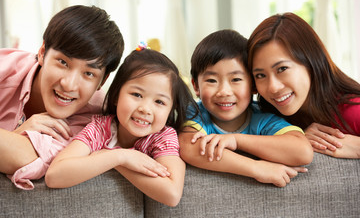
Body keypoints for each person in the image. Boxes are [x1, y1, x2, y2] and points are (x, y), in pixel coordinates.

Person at [45, 45, 198, 207]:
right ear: (117, 95)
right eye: (137, 95)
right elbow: (54, 176)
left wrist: (117, 161)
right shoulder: (100, 128)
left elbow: (172, 194)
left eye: (159, 102)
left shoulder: (163, 137)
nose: (145, 109)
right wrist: (120, 157)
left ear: (170, 110)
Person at [0, 5, 124, 190]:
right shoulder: (5, 67)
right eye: (63, 62)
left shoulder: (95, 119)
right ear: (42, 52)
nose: (69, 84)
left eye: (88, 73)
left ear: (102, 81)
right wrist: (14, 136)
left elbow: (22, 157)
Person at [179, 29, 313, 188]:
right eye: (212, 80)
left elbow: (302, 152)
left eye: (236, 79)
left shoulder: (262, 117)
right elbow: (188, 147)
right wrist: (256, 168)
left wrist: (235, 140)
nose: (224, 91)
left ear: (253, 85)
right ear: (196, 86)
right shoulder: (195, 113)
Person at [248, 12, 360, 159]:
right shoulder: (264, 118)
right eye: (260, 75)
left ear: (311, 62)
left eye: (282, 69)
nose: (273, 88)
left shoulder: (352, 111)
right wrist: (295, 138)